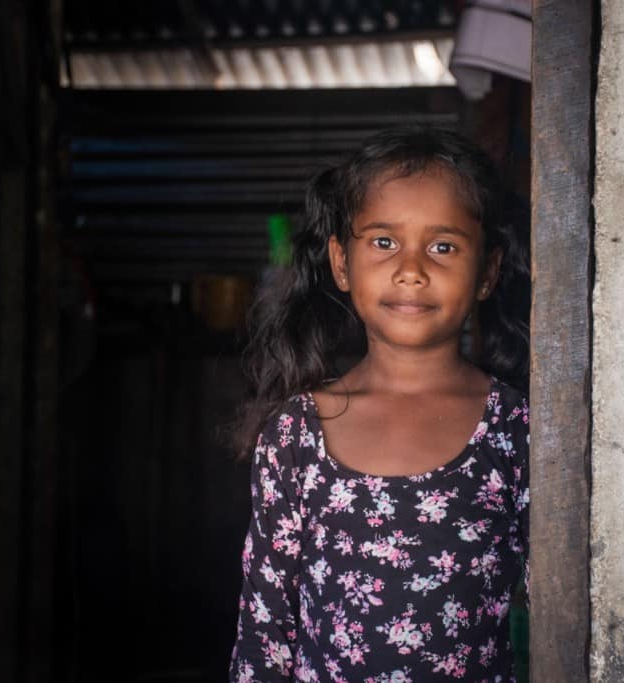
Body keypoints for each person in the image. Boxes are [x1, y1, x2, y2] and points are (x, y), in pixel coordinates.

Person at [229, 126, 530, 682]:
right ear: (341, 263)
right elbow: (265, 625)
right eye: (384, 242)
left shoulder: (518, 431)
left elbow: (558, 608)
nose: (411, 269)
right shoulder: (296, 435)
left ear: (487, 270)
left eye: (443, 246)